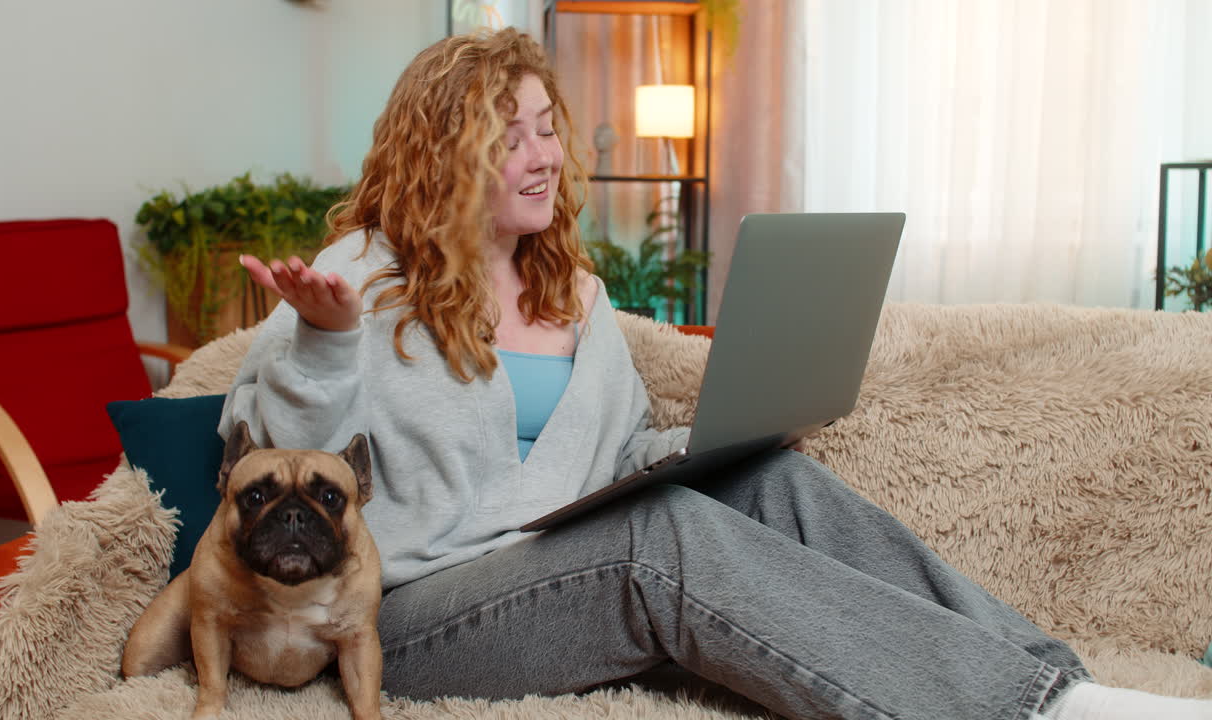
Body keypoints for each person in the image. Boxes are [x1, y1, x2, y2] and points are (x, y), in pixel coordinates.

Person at [220, 28, 1211, 720]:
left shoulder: (580, 296)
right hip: (412, 613)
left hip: (549, 573)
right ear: (443, 155)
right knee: (663, 539)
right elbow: (254, 458)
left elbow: (605, 459)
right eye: (507, 136)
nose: (542, 158)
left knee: (762, 480)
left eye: (546, 129)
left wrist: (710, 443)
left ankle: (1057, 685)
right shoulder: (355, 280)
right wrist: (321, 346)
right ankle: (1014, 715)